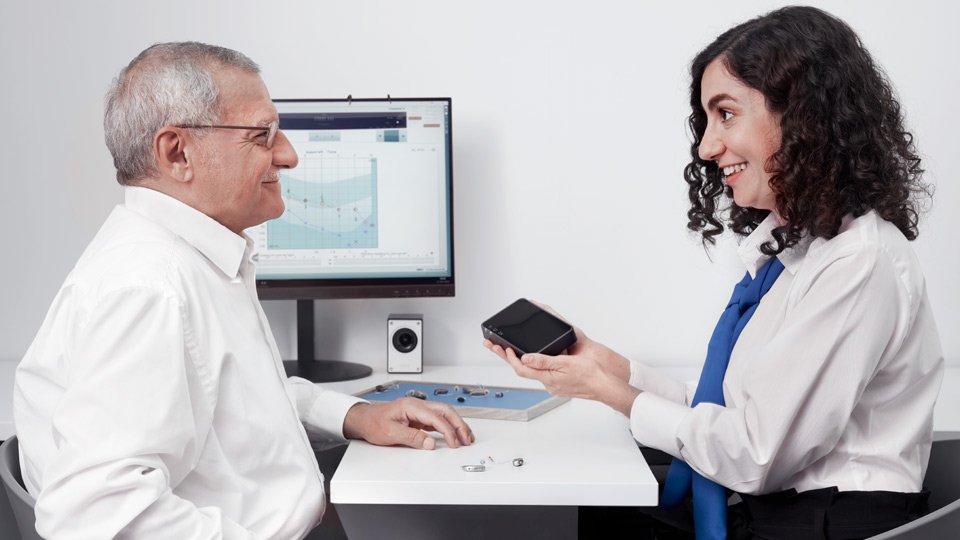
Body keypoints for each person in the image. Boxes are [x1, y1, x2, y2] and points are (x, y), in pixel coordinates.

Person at [485, 6, 943, 539]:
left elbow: (753, 454)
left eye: (725, 114)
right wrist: (604, 368)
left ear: (803, 116)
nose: (706, 146)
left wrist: (615, 395)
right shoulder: (793, 255)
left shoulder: (857, 264)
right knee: (599, 514)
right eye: (706, 120)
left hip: (822, 521)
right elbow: (725, 411)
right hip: (777, 506)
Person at [13, 42, 474, 539]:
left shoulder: (187, 257)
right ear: (177, 153)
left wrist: (355, 414)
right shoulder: (149, 289)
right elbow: (95, 512)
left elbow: (233, 397)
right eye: (262, 135)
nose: (289, 155)